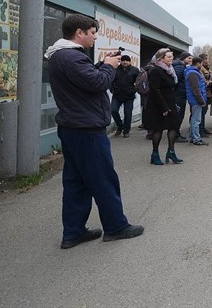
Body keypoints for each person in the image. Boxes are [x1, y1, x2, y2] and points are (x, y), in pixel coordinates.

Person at [44, 13, 143, 249]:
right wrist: (109, 68)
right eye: (92, 32)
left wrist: (101, 65)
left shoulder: (62, 56)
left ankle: (73, 232)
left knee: (76, 182)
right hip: (86, 129)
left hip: (73, 128)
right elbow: (98, 83)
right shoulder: (71, 57)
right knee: (103, 179)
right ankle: (116, 227)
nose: (95, 36)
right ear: (80, 33)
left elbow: (86, 80)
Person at [143, 48, 184, 165]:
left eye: (172, 56)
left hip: (170, 102)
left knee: (174, 126)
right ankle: (154, 154)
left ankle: (171, 152)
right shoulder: (156, 70)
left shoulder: (170, 70)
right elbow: (155, 90)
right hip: (158, 104)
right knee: (158, 129)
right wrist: (163, 107)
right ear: (161, 58)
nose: (171, 59)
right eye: (169, 57)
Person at [110, 54, 140, 138]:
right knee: (113, 110)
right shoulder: (115, 70)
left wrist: (134, 90)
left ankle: (126, 131)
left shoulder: (134, 70)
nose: (125, 62)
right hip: (117, 95)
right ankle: (120, 126)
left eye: (127, 60)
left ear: (130, 61)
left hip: (129, 96)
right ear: (121, 61)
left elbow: (139, 82)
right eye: (123, 60)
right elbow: (110, 81)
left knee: (128, 114)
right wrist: (112, 90)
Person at [184, 56, 209, 146]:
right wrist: (201, 100)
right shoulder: (193, 74)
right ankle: (196, 138)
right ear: (198, 63)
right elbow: (196, 89)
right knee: (196, 120)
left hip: (195, 99)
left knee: (195, 119)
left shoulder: (192, 72)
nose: (202, 65)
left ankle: (193, 137)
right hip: (196, 100)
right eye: (201, 63)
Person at [172, 51, 193, 143]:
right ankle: (176, 135)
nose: (190, 60)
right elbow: (176, 80)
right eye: (188, 58)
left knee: (179, 115)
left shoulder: (180, 66)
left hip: (180, 94)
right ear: (183, 58)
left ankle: (176, 133)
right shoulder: (180, 67)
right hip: (179, 95)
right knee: (178, 115)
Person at [198, 54, 212, 137]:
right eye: (207, 59)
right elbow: (203, 81)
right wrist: (210, 83)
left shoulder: (207, 68)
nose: (208, 60)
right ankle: (200, 130)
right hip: (204, 93)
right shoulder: (201, 69)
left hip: (208, 93)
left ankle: (203, 128)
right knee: (201, 112)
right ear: (202, 60)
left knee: (204, 111)